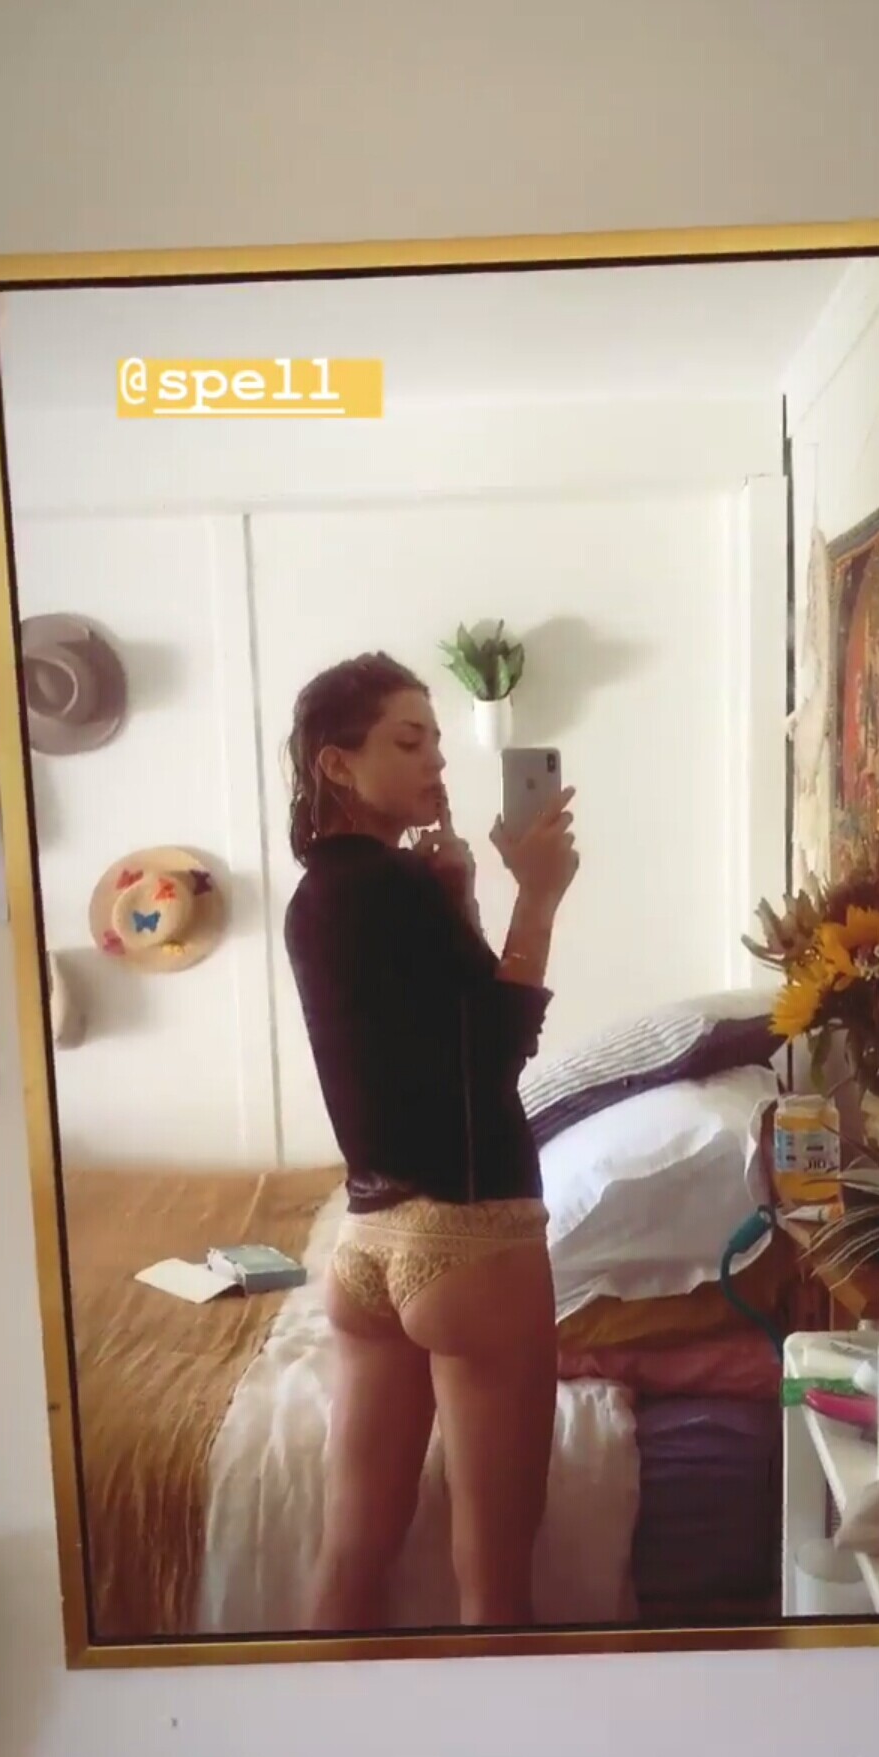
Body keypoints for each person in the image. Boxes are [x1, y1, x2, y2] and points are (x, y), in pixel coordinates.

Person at [283, 652, 578, 1631]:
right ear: (337, 764)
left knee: (348, 1559)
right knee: (494, 1589)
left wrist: (458, 900)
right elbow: (490, 1056)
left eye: (437, 742)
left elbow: (427, 1046)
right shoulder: (398, 886)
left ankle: (321, 1725)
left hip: (366, 1246)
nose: (437, 762)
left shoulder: (317, 896)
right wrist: (538, 897)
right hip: (469, 1241)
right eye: (408, 741)